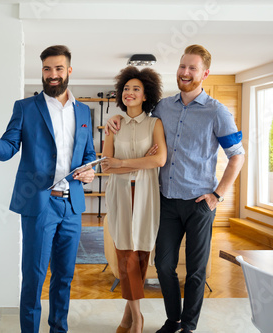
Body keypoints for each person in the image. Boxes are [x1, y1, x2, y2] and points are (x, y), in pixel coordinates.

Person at [106, 44, 245, 333]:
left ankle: (189, 326)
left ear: (205, 73)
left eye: (192, 68)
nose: (185, 72)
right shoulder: (162, 108)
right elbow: (136, 115)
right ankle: (173, 320)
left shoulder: (218, 111)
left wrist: (217, 195)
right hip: (166, 200)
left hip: (199, 203)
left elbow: (237, 156)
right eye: (182, 66)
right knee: (164, 265)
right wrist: (115, 119)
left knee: (195, 271)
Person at [0, 45, 96, 333]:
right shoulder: (25, 108)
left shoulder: (83, 111)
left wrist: (90, 170)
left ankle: (58, 329)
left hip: (71, 205)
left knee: (64, 276)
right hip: (39, 205)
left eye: (59, 68)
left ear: (69, 71)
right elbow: (8, 148)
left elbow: (88, 155)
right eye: (47, 69)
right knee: (34, 277)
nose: (52, 74)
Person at [101, 66, 166, 333]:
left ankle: (128, 317)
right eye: (126, 88)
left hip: (146, 194)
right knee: (125, 253)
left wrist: (122, 162)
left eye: (135, 89)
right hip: (120, 194)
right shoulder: (114, 124)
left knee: (140, 253)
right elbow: (106, 166)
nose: (129, 93)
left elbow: (159, 159)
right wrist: (140, 163)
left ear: (146, 95)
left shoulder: (154, 124)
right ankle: (138, 318)